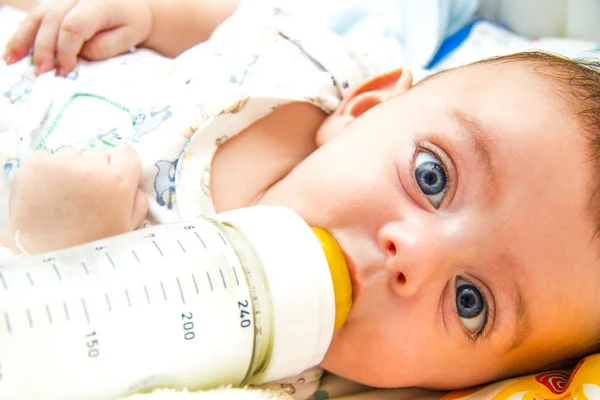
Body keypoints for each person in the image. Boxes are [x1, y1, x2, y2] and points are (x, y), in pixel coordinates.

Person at [1, 0, 600, 399]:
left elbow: (43, 348)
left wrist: (61, 246)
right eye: (432, 177)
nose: (411, 254)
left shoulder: (258, 366)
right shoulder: (311, 74)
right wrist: (146, 13)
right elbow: (238, 23)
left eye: (471, 302)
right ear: (364, 108)